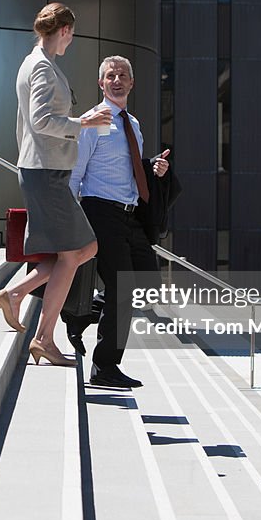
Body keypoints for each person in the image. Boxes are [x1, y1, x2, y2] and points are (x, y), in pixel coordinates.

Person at [0, 3, 112, 367]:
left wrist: (81, 121)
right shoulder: (42, 67)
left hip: (44, 170)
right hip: (44, 171)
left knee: (69, 253)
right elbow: (42, 120)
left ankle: (16, 297)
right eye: (71, 34)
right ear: (62, 30)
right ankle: (41, 335)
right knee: (83, 248)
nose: (71, 41)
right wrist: (83, 123)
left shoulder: (37, 64)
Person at [69, 55, 170, 388]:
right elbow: (76, 173)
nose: (116, 80)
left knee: (149, 286)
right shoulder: (94, 120)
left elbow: (129, 167)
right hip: (100, 212)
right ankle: (104, 367)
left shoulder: (134, 124)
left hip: (129, 215)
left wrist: (153, 168)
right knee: (122, 288)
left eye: (122, 75)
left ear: (131, 83)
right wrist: (71, 218)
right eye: (110, 76)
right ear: (101, 83)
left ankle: (82, 312)